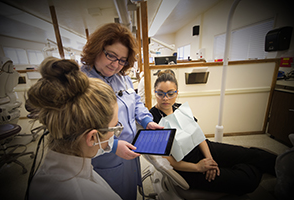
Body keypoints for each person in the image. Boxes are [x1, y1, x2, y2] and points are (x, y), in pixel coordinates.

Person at [149, 70, 277, 195]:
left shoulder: (180, 108)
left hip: (203, 148)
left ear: (177, 93)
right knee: (248, 180)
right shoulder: (152, 120)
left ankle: (286, 167)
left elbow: (198, 135)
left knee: (255, 155)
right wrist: (199, 167)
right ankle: (245, 169)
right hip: (188, 167)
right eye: (160, 93)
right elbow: (167, 160)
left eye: (170, 93)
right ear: (155, 93)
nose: (165, 98)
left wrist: (209, 158)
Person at [80, 23, 162, 200]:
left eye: (122, 60)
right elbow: (79, 130)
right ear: (97, 49)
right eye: (111, 55)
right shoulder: (81, 83)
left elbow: (136, 101)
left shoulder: (123, 78)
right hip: (103, 158)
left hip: (130, 152)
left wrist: (147, 120)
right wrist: (114, 146)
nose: (116, 64)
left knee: (129, 193)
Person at [26, 57, 122, 200]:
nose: (115, 134)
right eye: (114, 127)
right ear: (92, 137)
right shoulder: (84, 194)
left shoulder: (47, 173)